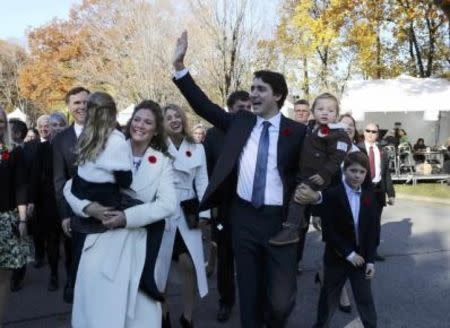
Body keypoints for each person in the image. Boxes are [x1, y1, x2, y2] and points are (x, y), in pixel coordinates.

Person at [172, 31, 314, 328]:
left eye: (261, 89)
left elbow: (310, 175)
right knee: (248, 292)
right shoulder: (240, 122)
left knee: (280, 301)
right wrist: (180, 67)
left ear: (277, 95)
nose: (254, 94)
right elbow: (204, 106)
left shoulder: (297, 133)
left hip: (281, 223)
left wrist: (316, 195)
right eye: (252, 88)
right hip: (244, 218)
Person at [63, 100, 177, 328]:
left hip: (136, 249)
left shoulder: (162, 162)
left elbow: (168, 204)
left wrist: (128, 217)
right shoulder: (105, 143)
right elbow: (70, 186)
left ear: (155, 130)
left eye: (148, 122)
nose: (140, 125)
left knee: (139, 318)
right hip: (99, 244)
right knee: (97, 317)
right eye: (137, 119)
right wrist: (87, 207)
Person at [269, 92, 351, 246]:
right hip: (303, 172)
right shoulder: (311, 127)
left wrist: (324, 174)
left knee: (298, 198)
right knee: (295, 200)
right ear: (312, 112)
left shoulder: (338, 134)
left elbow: (337, 157)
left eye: (330, 110)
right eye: (320, 109)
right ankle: (298, 224)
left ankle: (291, 230)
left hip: (316, 175)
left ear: (337, 115)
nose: (325, 112)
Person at [313, 151, 378, 328]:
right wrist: (349, 254)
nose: (357, 175)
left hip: (362, 258)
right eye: (353, 170)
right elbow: (329, 231)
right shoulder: (332, 194)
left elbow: (373, 231)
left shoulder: (369, 196)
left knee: (365, 300)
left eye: (362, 172)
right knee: (328, 299)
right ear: (344, 171)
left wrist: (370, 260)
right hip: (337, 257)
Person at [203, 90, 251, 322]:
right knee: (225, 258)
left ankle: (253, 302)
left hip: (250, 207)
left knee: (250, 260)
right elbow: (206, 173)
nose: (245, 112)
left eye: (248, 108)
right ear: (229, 109)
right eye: (240, 108)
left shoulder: (254, 131)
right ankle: (226, 301)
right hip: (223, 207)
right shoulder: (212, 136)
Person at [161, 104, 210, 328]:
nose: (174, 120)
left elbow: (202, 182)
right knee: (159, 267)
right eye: (169, 117)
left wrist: (205, 212)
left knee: (189, 264)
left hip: (188, 210)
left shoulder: (196, 147)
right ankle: (163, 313)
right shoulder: (157, 148)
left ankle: (187, 315)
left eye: (177, 116)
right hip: (163, 210)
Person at [52, 86, 90, 303]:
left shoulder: (108, 132)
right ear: (68, 107)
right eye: (77, 103)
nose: (82, 106)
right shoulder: (60, 140)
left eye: (86, 102)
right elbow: (59, 181)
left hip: (105, 210)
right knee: (75, 258)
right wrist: (64, 214)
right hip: (74, 211)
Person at [0, 106, 34, 325]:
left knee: (3, 278)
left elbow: (21, 187)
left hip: (5, 219)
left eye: (1, 121)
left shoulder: (14, 152)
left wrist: (22, 220)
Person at [27, 112, 68, 292]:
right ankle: (53, 275)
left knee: (70, 243)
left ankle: (71, 278)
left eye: (60, 124)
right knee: (51, 240)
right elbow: (35, 177)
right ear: (48, 129)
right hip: (48, 202)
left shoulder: (75, 146)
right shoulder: (42, 149)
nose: (56, 127)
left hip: (70, 202)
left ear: (66, 126)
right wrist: (31, 201)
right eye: (53, 124)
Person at [358, 123, 395, 261]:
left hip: (378, 190)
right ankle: (360, 251)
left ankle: (373, 251)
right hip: (362, 190)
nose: (371, 133)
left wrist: (391, 194)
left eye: (374, 131)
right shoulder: (357, 149)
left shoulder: (382, 150)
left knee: (375, 223)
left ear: (378, 134)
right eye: (368, 131)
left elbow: (386, 174)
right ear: (364, 132)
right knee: (361, 221)